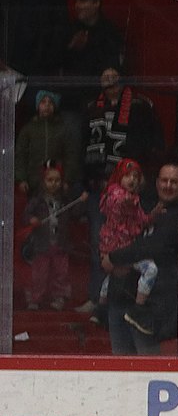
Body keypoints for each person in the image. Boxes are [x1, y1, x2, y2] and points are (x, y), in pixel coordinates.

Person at [114, 162, 178, 348]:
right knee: (119, 368)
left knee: (147, 366)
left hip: (155, 307)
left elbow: (152, 246)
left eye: (174, 182)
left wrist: (114, 258)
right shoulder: (143, 208)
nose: (168, 185)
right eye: (164, 180)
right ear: (156, 182)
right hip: (125, 296)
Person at [85, 65, 162, 182]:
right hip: (98, 177)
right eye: (106, 78)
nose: (110, 81)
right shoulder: (91, 107)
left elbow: (153, 142)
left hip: (133, 175)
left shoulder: (140, 105)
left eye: (114, 77)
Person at [20, 162, 77, 311]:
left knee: (61, 272)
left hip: (60, 241)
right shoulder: (37, 200)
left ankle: (59, 297)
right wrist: (32, 219)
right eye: (50, 180)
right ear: (43, 181)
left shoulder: (64, 199)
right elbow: (26, 215)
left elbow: (75, 212)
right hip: (42, 242)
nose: (54, 184)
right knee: (39, 272)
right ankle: (35, 298)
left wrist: (80, 200)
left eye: (57, 180)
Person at [58, 0, 124, 108]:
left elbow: (113, 67)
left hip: (100, 101)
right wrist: (71, 48)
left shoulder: (109, 31)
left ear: (96, 3)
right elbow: (58, 63)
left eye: (83, 1)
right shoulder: (70, 30)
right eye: (77, 1)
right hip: (72, 100)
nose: (78, 6)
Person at [15, 89, 82, 196]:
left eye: (50, 102)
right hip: (34, 183)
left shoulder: (63, 129)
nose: (47, 105)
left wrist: (68, 179)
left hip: (57, 183)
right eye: (43, 102)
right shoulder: (28, 129)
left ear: (55, 106)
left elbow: (71, 155)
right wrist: (21, 178)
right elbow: (21, 155)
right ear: (38, 106)